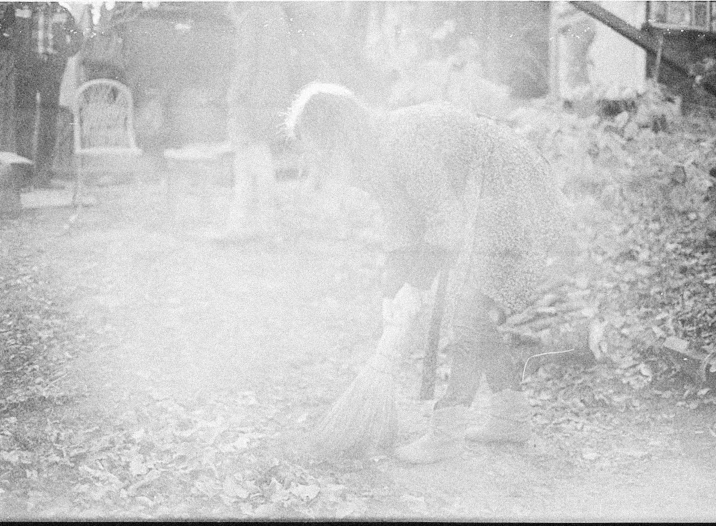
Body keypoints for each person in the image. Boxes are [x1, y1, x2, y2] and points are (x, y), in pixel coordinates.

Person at [287, 83, 569, 464]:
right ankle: (511, 417)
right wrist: (393, 292)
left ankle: (446, 435)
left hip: (510, 188)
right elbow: (401, 225)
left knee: (468, 313)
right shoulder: (371, 156)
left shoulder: (402, 142)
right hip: (482, 193)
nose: (315, 154)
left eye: (318, 143)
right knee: (473, 314)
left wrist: (415, 286)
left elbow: (445, 223)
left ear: (337, 132)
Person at [207, 3, 293, 241]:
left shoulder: (253, 15)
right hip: (271, 98)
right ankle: (242, 225)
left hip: (251, 101)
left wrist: (235, 95)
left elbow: (247, 62)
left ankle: (266, 227)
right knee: (247, 162)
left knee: (253, 159)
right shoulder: (276, 12)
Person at [1, 2, 83, 189]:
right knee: (24, 121)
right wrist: (19, 48)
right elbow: (1, 32)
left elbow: (78, 39)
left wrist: (62, 54)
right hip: (26, 70)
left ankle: (43, 176)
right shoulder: (18, 7)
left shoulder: (61, 10)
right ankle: (23, 176)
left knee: (48, 122)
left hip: (50, 71)